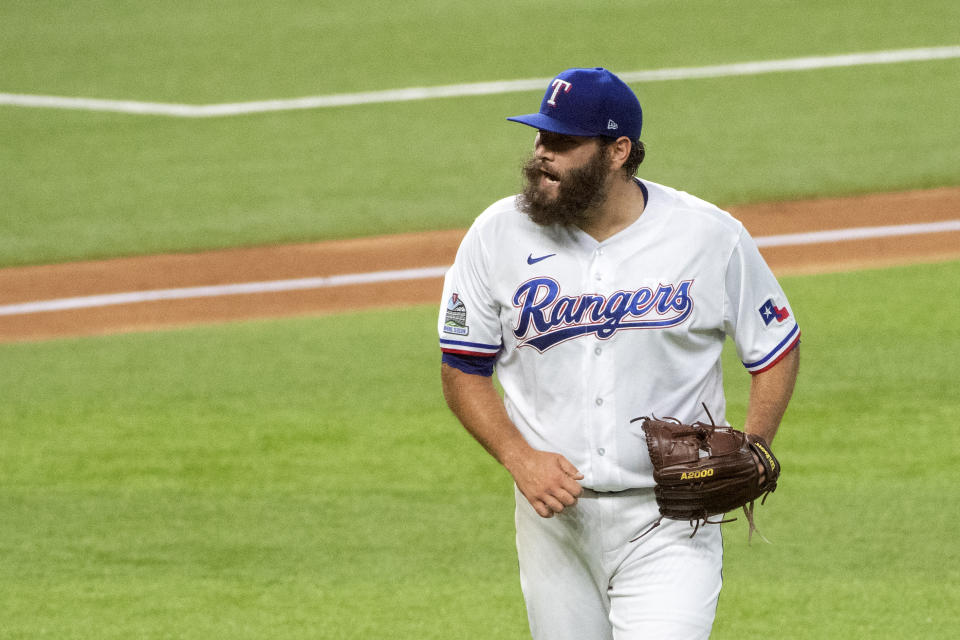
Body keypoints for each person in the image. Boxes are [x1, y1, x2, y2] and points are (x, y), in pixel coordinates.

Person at [437, 67, 800, 640]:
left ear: (617, 151)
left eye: (563, 142)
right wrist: (518, 456)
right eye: (539, 138)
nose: (541, 156)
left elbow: (776, 345)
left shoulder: (708, 235)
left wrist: (754, 447)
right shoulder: (496, 235)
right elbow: (462, 367)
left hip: (672, 520)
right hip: (553, 525)